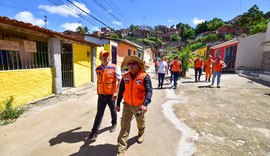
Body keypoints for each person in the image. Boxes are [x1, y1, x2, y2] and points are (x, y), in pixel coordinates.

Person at [116, 55, 153, 156]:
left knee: (140, 123)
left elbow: (149, 91)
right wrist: (118, 103)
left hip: (139, 106)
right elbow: (121, 91)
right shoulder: (125, 76)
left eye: (133, 63)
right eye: (129, 64)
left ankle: (141, 133)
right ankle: (121, 149)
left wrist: (145, 104)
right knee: (124, 126)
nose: (130, 65)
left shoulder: (144, 76)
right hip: (127, 105)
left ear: (138, 65)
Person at [88, 51, 121, 141]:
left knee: (113, 110)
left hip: (111, 95)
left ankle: (114, 123)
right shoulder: (98, 69)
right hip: (101, 95)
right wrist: (98, 91)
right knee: (99, 113)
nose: (106, 57)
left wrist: (116, 92)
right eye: (104, 56)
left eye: (107, 56)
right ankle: (94, 132)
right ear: (100, 58)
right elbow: (99, 81)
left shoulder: (114, 67)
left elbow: (119, 80)